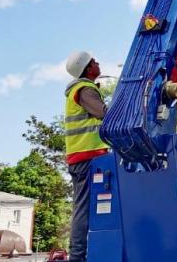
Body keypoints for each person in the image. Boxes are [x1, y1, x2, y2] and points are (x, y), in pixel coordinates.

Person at [64, 51, 110, 262]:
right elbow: (104, 113)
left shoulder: (81, 90)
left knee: (89, 206)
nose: (98, 63)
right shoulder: (84, 89)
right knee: (83, 208)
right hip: (87, 158)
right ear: (87, 69)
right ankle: (77, 257)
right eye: (94, 61)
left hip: (85, 157)